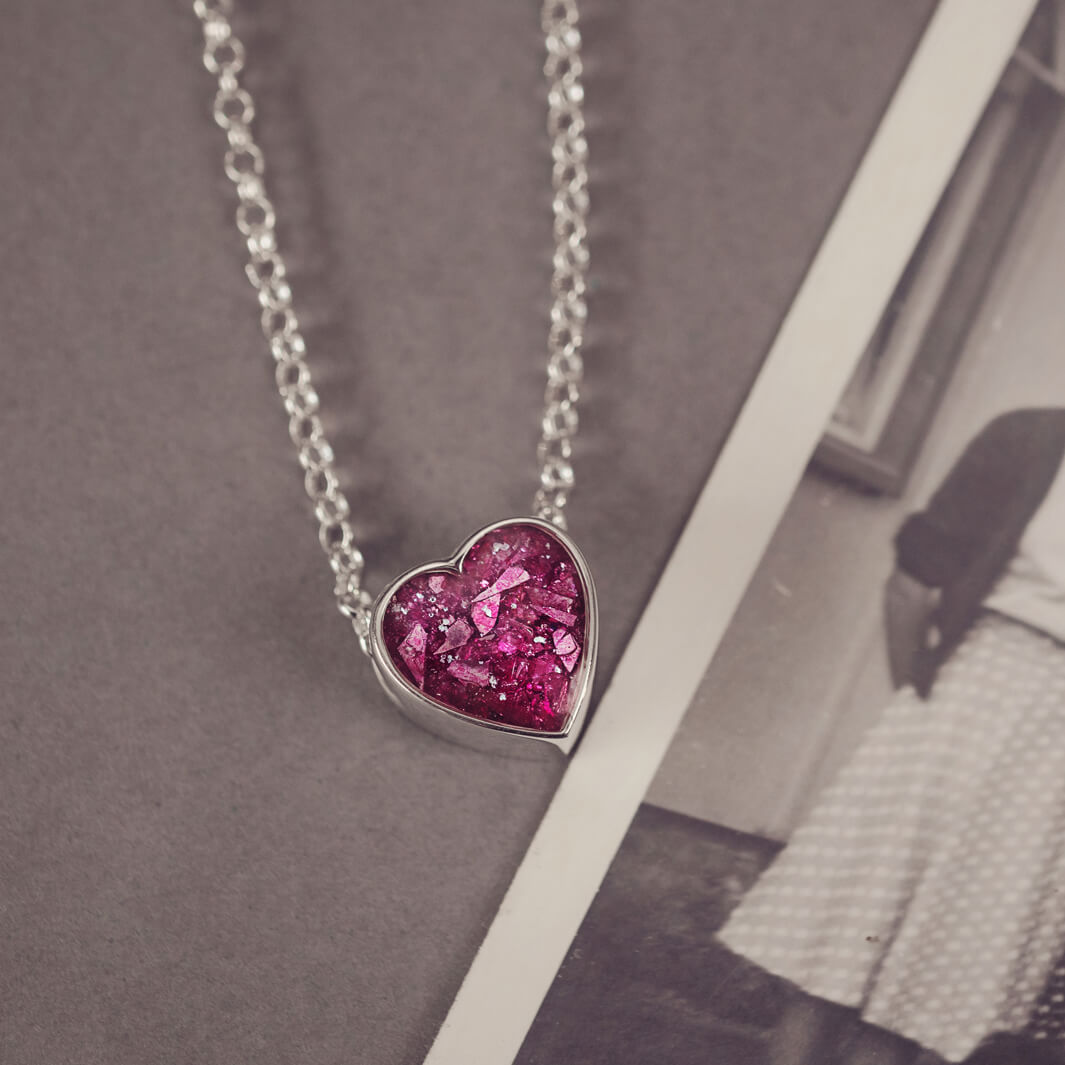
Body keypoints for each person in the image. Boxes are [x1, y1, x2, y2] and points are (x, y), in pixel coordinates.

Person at [717, 407, 1065, 1065]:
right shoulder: (1028, 440)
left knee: (947, 957)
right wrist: (919, 700)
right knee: (852, 919)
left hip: (1046, 751)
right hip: (973, 687)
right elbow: (909, 584)